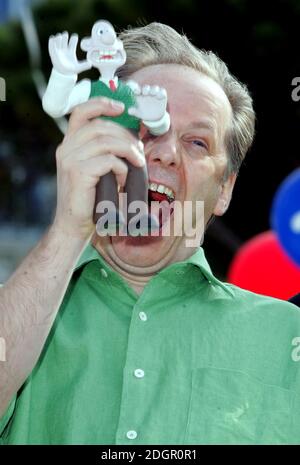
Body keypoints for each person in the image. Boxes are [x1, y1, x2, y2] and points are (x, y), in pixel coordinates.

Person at [0, 22, 300, 445]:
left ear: (225, 190)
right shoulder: (16, 318)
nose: (163, 151)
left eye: (197, 142)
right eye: (141, 127)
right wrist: (69, 226)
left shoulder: (288, 337)